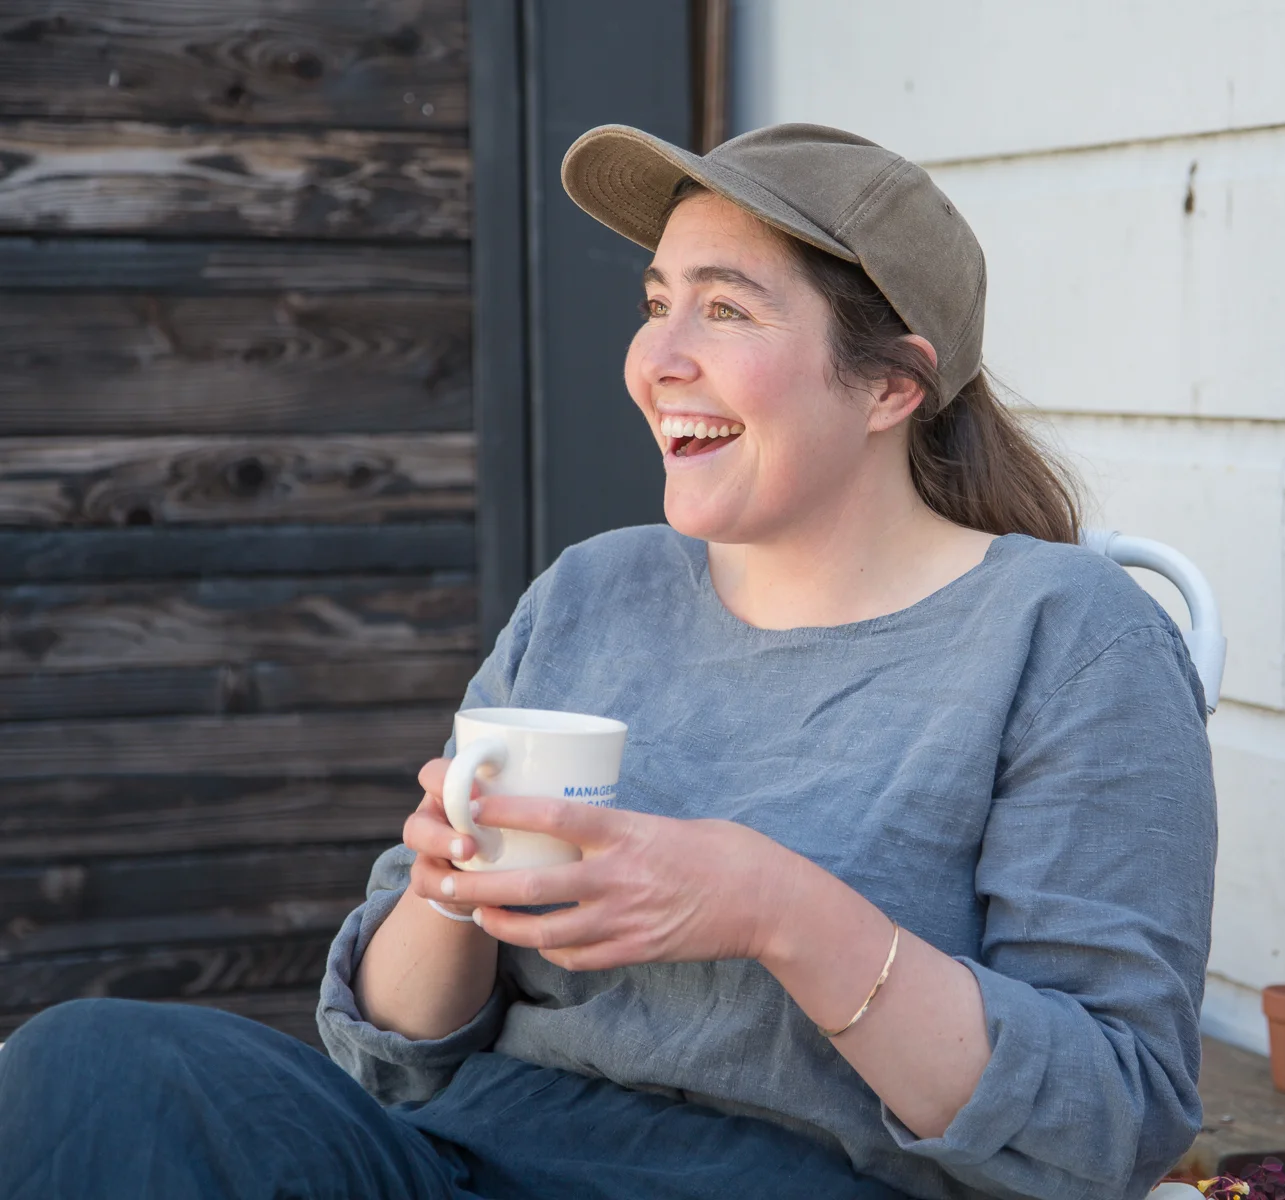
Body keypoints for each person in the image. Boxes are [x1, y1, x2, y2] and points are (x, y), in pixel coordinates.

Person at [0, 123, 1217, 1200]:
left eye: (725, 310)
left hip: (794, 1180)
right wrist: (447, 885)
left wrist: (775, 909)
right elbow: (389, 1054)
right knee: (90, 1065)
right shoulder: (596, 592)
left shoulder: (1068, 637)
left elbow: (1109, 1125)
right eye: (655, 303)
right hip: (469, 1154)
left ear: (892, 385)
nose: (657, 358)